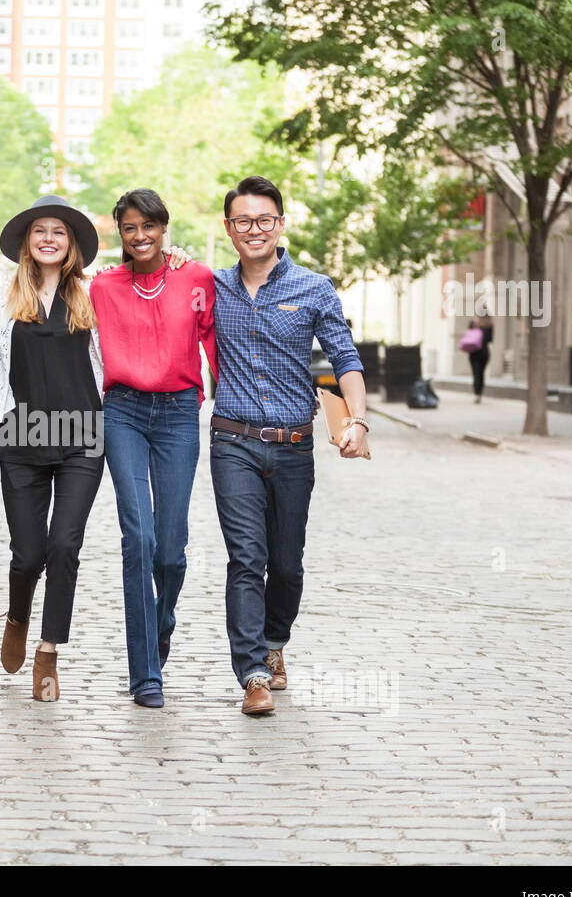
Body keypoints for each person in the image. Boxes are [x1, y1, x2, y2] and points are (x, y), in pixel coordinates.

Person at [210, 176, 368, 716]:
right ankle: (252, 671)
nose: (253, 230)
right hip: (233, 440)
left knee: (288, 564)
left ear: (280, 224)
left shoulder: (314, 288)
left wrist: (359, 422)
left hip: (295, 447)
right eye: (242, 221)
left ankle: (275, 642)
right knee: (246, 558)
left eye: (263, 220)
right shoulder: (211, 287)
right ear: (228, 228)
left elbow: (345, 359)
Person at [88, 190, 217, 709]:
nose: (140, 236)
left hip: (179, 414)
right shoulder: (103, 286)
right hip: (121, 412)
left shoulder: (197, 278)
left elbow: (215, 343)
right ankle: (145, 673)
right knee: (137, 537)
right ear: (120, 233)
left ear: (165, 228)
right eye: (129, 227)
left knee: (170, 548)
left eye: (150, 226)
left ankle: (163, 621)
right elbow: (37, 280)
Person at [0, 196, 105, 703]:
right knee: (28, 553)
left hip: (82, 437)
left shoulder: (95, 294)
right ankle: (18, 614)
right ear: (27, 243)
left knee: (64, 547)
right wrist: (5, 417)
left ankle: (49, 649)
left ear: (72, 243)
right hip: (23, 436)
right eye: (40, 231)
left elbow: (151, 278)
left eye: (60, 231)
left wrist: (180, 255)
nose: (50, 238)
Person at [468, 309, 494, 403]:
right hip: (484, 353)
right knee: (481, 374)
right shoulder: (489, 325)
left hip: (475, 353)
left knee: (476, 374)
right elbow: (490, 339)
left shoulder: (474, 324)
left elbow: (468, 335)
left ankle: (477, 394)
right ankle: (479, 393)